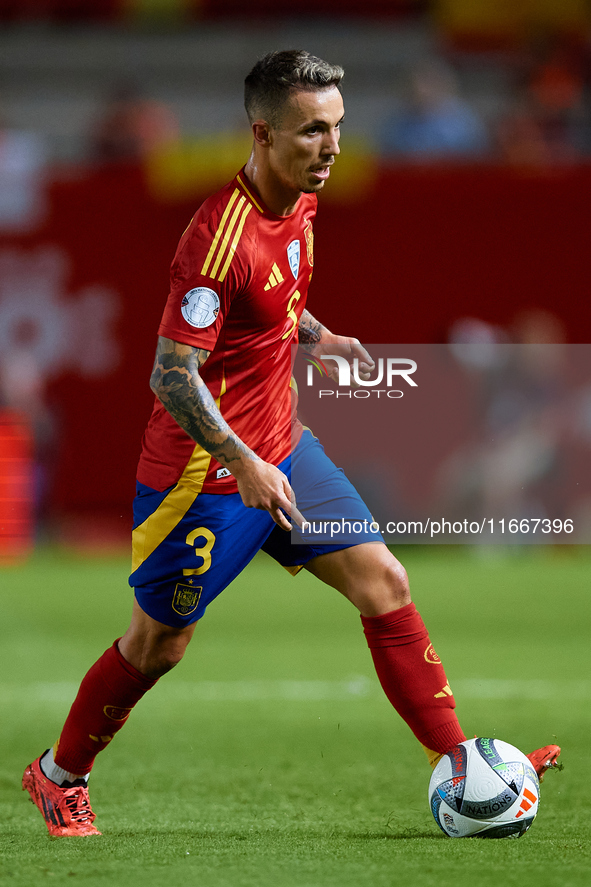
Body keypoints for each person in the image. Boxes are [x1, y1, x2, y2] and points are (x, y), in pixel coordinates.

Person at [22, 50, 560, 838]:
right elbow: (171, 374)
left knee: (384, 581)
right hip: (203, 476)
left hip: (284, 445)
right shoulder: (215, 239)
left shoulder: (303, 201)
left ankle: (462, 765)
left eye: (337, 127)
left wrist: (315, 333)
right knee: (159, 644)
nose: (331, 146)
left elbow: (267, 306)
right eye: (312, 131)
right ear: (262, 133)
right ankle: (58, 775)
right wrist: (241, 462)